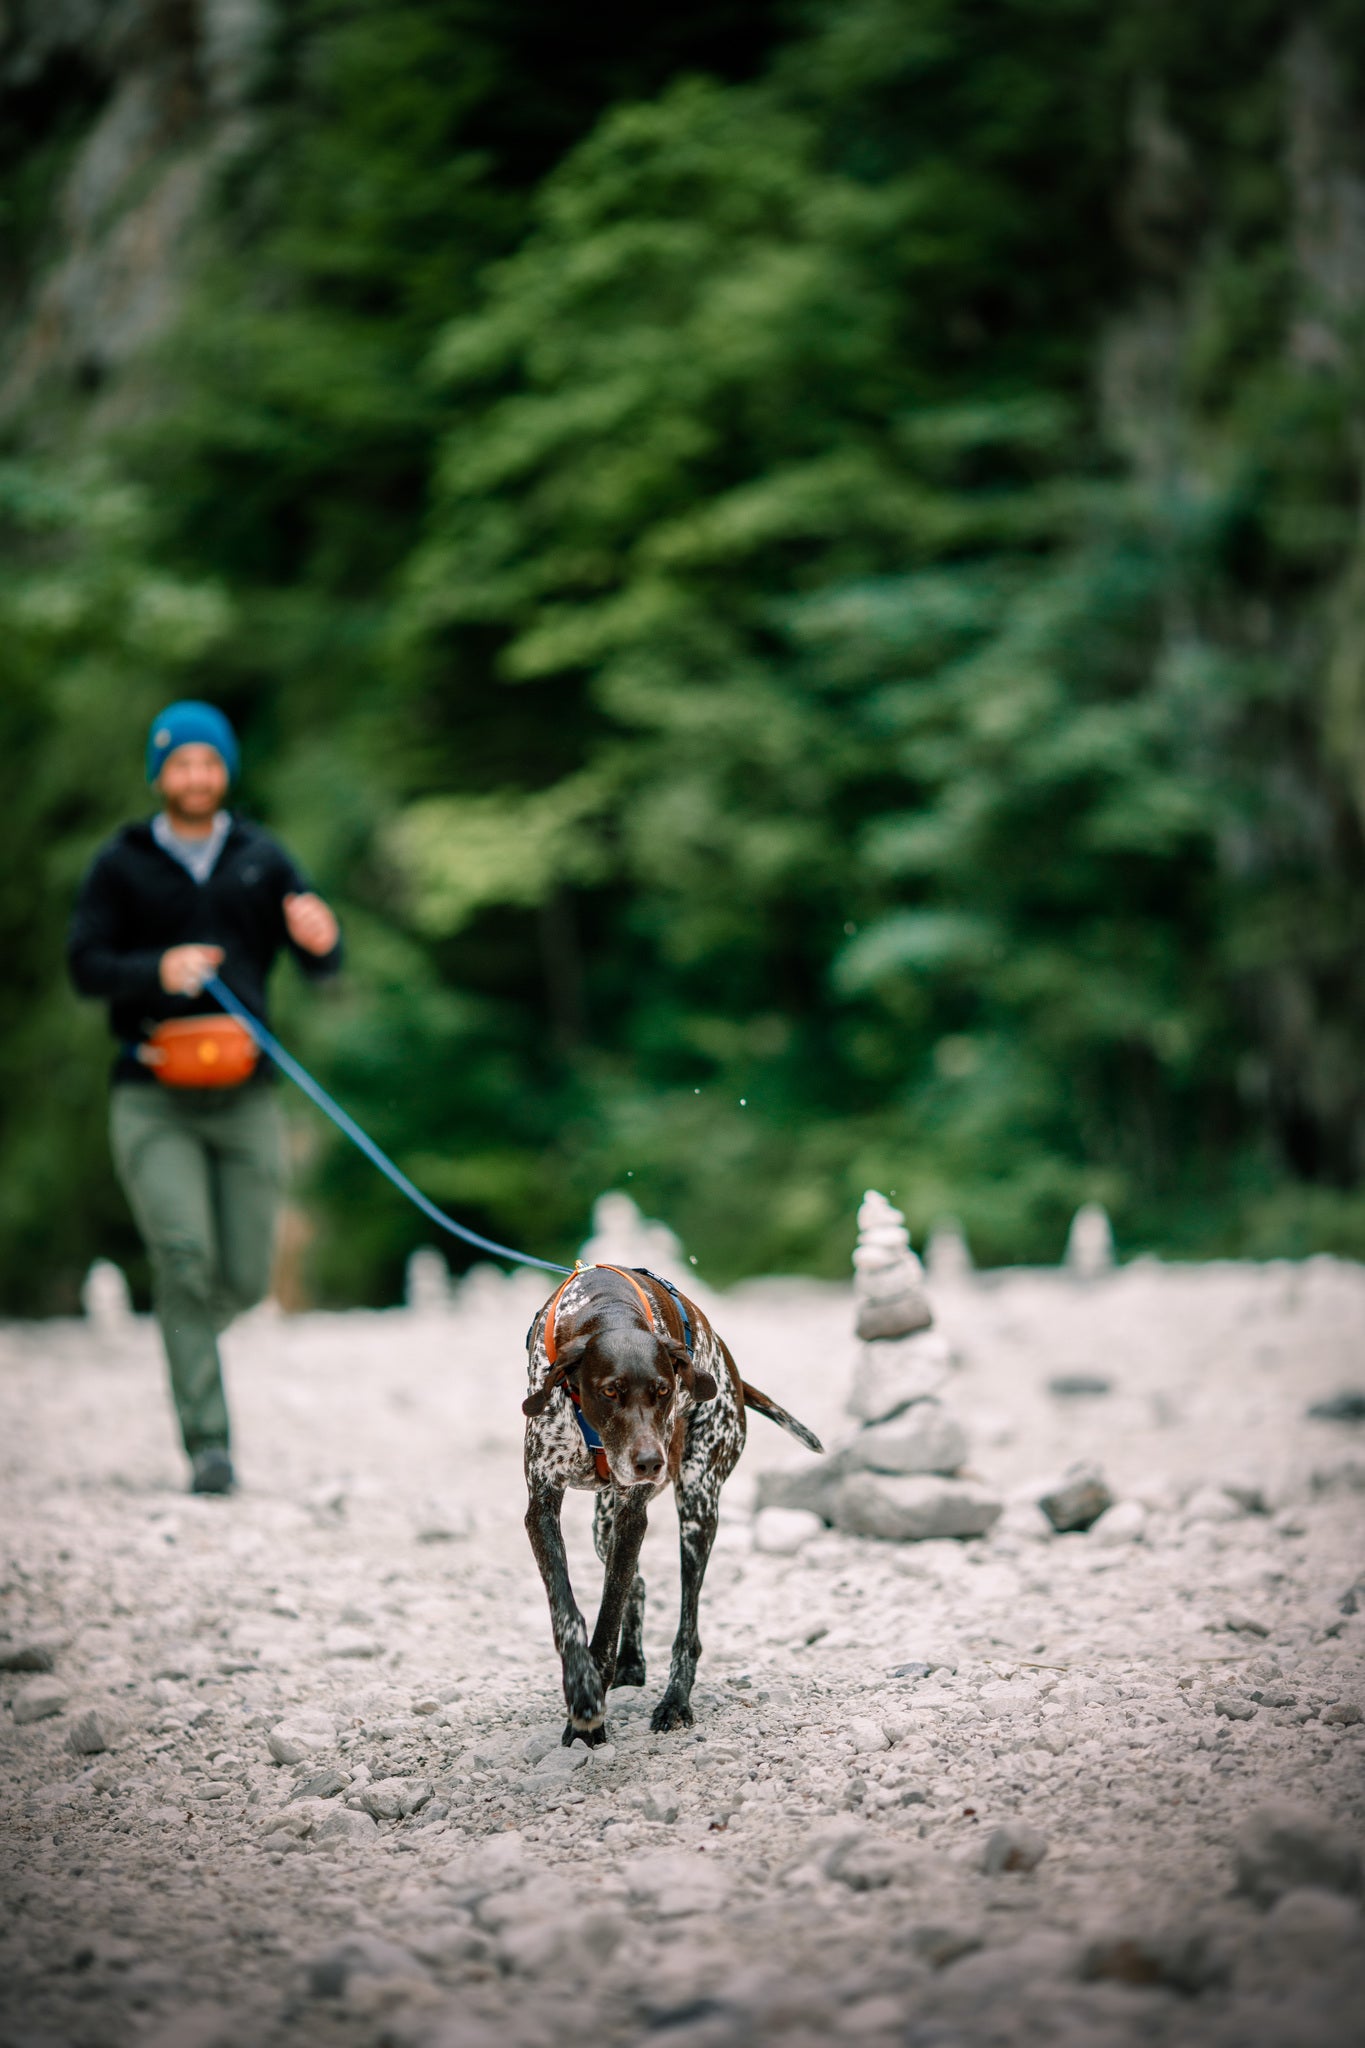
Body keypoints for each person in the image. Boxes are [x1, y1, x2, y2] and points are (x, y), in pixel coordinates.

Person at [68, 702, 342, 1494]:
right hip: (151, 1093)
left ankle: (183, 1330)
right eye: (181, 763)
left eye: (209, 762)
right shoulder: (120, 864)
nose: (196, 776)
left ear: (225, 772)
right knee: (183, 1258)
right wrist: (155, 970)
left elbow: (320, 959)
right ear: (160, 775)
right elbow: (84, 966)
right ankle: (209, 1446)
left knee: (247, 1278)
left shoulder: (262, 857)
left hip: (246, 1094)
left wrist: (322, 941)